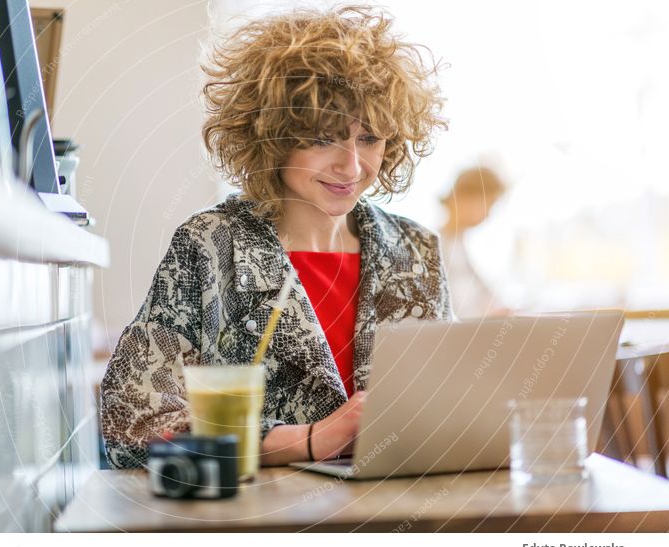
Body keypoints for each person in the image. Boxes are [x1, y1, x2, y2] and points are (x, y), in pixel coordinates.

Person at [100, 5, 452, 470]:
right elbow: (134, 424)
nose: (351, 166)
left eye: (369, 138)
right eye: (324, 138)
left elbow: (451, 404)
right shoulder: (211, 245)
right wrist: (307, 440)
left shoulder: (416, 251)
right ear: (271, 136)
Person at [439, 166, 508, 319]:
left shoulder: (460, 245)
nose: (488, 214)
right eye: (488, 204)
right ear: (465, 197)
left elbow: (484, 294)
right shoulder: (434, 245)